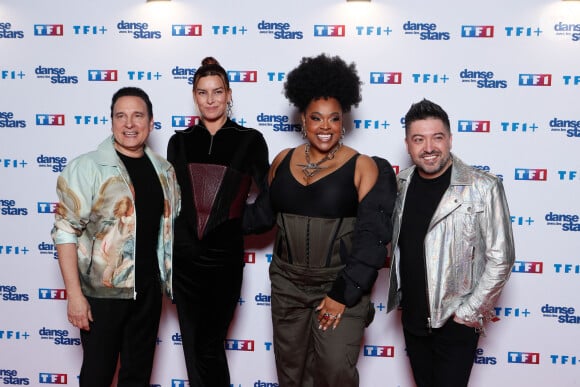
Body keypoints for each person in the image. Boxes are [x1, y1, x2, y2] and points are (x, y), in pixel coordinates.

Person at [267, 54, 397, 387]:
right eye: (316, 118)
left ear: (343, 121)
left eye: (334, 118)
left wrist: (342, 294)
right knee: (292, 375)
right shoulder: (282, 160)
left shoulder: (364, 166)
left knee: (335, 371)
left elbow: (372, 239)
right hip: (288, 286)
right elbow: (260, 216)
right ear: (303, 120)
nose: (325, 127)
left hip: (337, 283)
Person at [51, 86, 181, 386]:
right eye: (120, 116)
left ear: (151, 122)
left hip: (148, 292)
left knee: (137, 376)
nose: (129, 124)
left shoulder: (164, 170)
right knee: (97, 376)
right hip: (101, 296)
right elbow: (65, 231)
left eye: (138, 115)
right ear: (111, 122)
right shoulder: (87, 167)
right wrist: (74, 296)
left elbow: (172, 228)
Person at [386, 99, 516, 387]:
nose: (429, 147)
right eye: (419, 139)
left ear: (450, 139)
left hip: (454, 324)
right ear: (408, 144)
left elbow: (501, 258)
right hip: (413, 321)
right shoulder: (399, 184)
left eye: (437, 138)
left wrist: (468, 314)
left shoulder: (483, 186)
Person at [166, 57, 271, 386]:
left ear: (229, 94)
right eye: (202, 92)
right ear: (194, 97)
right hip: (184, 262)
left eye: (217, 91)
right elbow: (172, 202)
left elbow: (269, 200)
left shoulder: (250, 140)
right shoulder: (178, 142)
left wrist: (236, 224)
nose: (210, 99)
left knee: (210, 345)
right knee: (193, 347)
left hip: (224, 262)